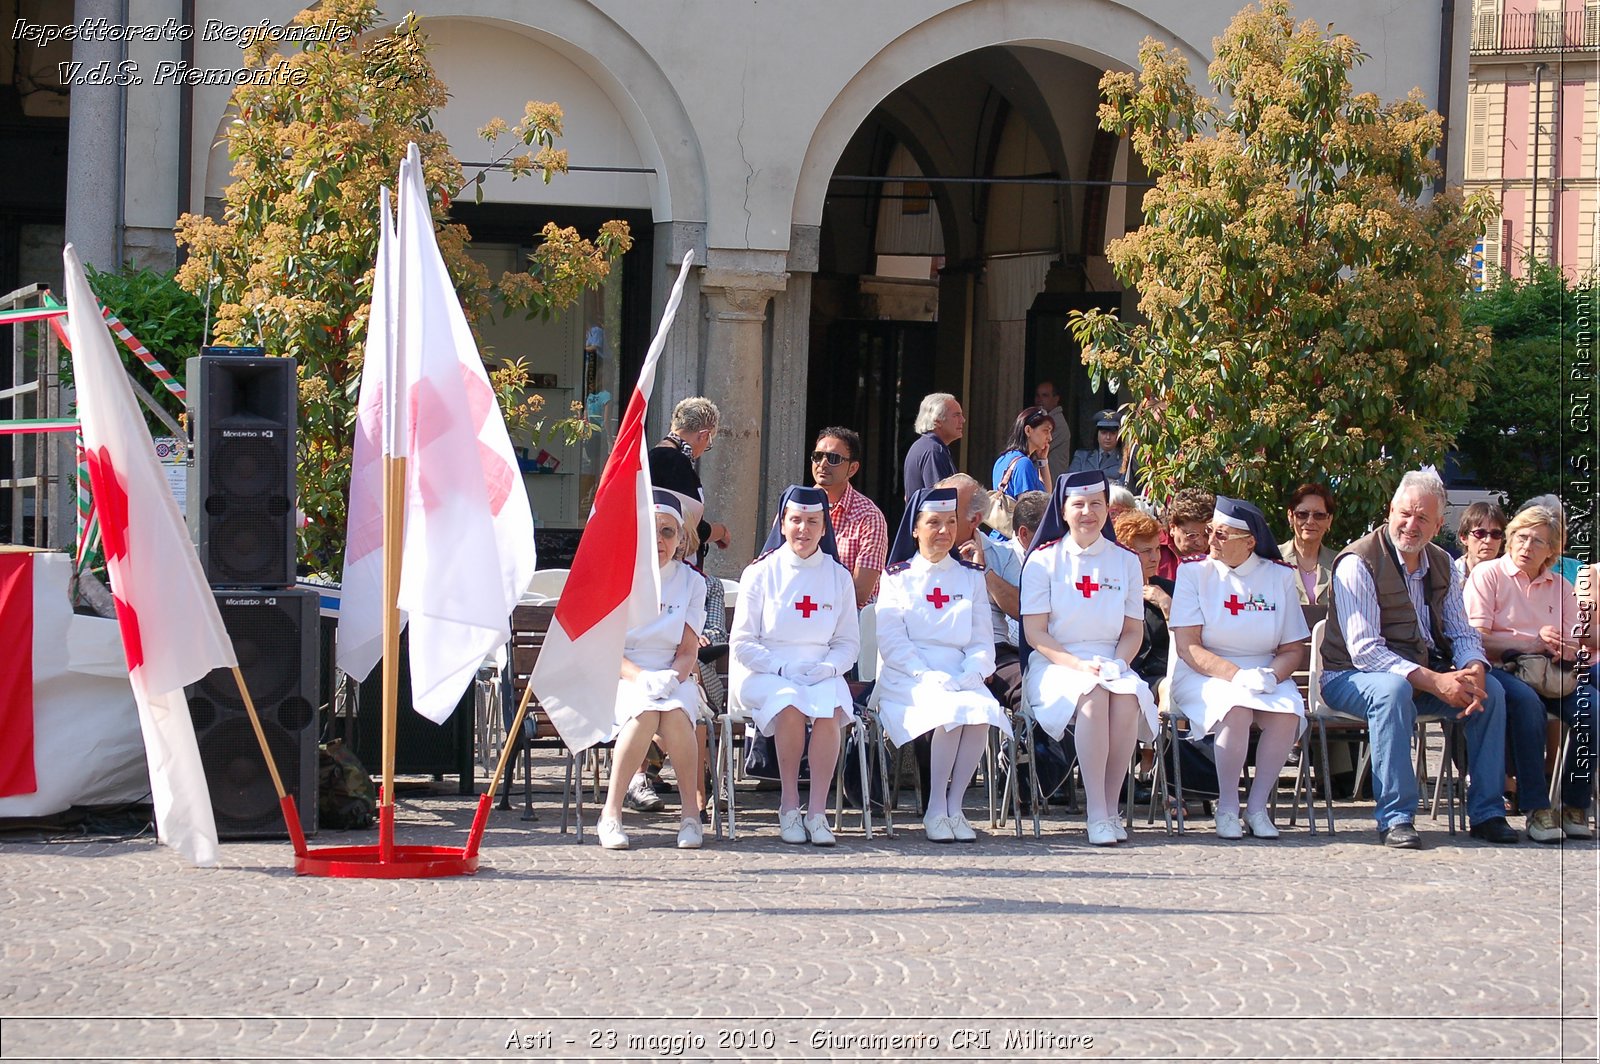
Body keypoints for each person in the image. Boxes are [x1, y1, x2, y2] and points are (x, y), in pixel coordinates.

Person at [1319, 468, 1515, 849]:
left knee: (1489, 691)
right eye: (1405, 513)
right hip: (1348, 676)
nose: (1411, 524)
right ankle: (1396, 818)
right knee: (1391, 691)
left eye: (1423, 517)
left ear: (1440, 523)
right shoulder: (1357, 561)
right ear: (1390, 510)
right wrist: (1435, 681)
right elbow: (1366, 652)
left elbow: (1461, 632)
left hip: (1424, 671)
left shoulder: (1442, 562)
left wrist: (1472, 668)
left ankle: (1489, 812)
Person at [1021, 470, 1156, 846]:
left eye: (1096, 504)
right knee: (1094, 699)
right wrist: (1078, 666)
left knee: (1127, 699)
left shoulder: (1125, 562)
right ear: (1063, 510)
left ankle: (1112, 807)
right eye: (1078, 504)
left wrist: (1119, 663)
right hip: (1056, 662)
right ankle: (1096, 809)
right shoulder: (1043, 561)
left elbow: (1132, 630)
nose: (1087, 512)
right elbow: (1036, 634)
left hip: (1112, 659)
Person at [873, 487, 1010, 842]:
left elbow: (982, 637)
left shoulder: (970, 576)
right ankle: (935, 807)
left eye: (951, 522)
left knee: (979, 711)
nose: (944, 531)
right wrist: (925, 673)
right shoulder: (897, 577)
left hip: (961, 669)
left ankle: (955, 805)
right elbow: (892, 640)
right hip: (909, 674)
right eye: (934, 522)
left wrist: (975, 670)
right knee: (951, 711)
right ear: (915, 529)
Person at [1169, 498, 1310, 839]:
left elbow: (1293, 648)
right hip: (1204, 673)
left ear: (1249, 542)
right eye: (1210, 532)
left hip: (1264, 670)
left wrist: (1272, 675)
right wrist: (1235, 675)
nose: (1210, 540)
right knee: (1235, 710)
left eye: (1221, 534)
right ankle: (1228, 806)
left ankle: (1258, 807)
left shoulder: (1279, 577)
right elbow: (1188, 646)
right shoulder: (1192, 573)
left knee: (1287, 713)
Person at [729, 485, 861, 846]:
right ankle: (789, 804)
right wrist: (781, 668)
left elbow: (848, 641)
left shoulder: (838, 577)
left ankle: (817, 813)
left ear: (824, 527)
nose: (804, 529)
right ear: (783, 523)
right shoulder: (759, 573)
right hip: (767, 672)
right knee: (789, 704)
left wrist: (831, 668)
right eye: (796, 521)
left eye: (812, 522)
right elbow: (742, 642)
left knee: (830, 708)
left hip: (820, 669)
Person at [1464, 504, 1596, 841]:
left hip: (1551, 672)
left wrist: (1567, 649)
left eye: (1538, 542)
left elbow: (1578, 641)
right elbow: (1475, 637)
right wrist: (1529, 644)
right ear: (1510, 539)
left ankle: (1574, 804)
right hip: (1501, 668)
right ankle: (1536, 808)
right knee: (1527, 703)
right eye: (1522, 537)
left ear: (1551, 551)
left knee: (1593, 708)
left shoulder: (1561, 588)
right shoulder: (1489, 575)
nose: (1526, 547)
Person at [595, 491, 709, 851]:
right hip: (624, 675)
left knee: (675, 714)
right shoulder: (618, 574)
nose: (659, 540)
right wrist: (642, 678)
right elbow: (608, 649)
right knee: (642, 712)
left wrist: (671, 679)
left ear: (681, 539)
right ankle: (611, 813)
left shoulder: (693, 582)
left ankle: (690, 815)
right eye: (651, 530)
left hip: (673, 674)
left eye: (668, 532)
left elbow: (688, 649)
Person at [982, 490, 1051, 712]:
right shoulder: (1000, 557)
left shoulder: (1065, 560)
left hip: (1055, 652)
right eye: (1052, 530)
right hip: (1009, 652)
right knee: (1035, 691)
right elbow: (1017, 618)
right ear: (1023, 534)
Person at [810, 427, 888, 608]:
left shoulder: (869, 517)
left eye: (833, 458)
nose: (823, 464)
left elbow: (860, 592)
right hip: (799, 611)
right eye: (817, 456)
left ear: (852, 469)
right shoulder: (795, 509)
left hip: (849, 619)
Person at [649, 396, 729, 565]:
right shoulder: (674, 461)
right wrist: (721, 532)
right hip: (672, 566)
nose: (704, 450)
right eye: (708, 443)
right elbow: (692, 528)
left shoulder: (655, 454)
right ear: (704, 435)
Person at [1113, 510, 1172, 689]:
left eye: (1157, 549)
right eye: (1146, 551)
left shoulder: (1170, 589)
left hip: (1163, 675)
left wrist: (1168, 605)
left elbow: (1187, 642)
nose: (1155, 558)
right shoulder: (1110, 592)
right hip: (1123, 674)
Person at [1279, 483, 1338, 607]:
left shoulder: (1340, 564)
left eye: (1319, 515)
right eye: (1302, 514)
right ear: (1290, 516)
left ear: (1329, 520)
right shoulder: (1272, 560)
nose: (1310, 521)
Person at [903, 393, 963, 499]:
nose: (962, 420)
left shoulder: (924, 446)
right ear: (937, 421)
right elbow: (941, 501)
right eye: (956, 415)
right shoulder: (934, 451)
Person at [991, 407, 1053, 499]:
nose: (1050, 438)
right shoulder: (1024, 464)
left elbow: (1045, 494)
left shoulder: (1002, 459)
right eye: (1046, 431)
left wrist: (1042, 460)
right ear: (1028, 430)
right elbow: (1028, 509)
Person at [1068, 409, 1137, 488]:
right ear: (1096, 434)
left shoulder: (1125, 460)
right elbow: (1071, 481)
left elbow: (1125, 486)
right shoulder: (1081, 456)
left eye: (1113, 433)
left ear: (1119, 435)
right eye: (1103, 433)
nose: (1108, 437)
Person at [1156, 488, 1214, 582]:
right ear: (1173, 528)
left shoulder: (1218, 552)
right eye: (1192, 535)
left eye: (1207, 534)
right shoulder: (1151, 547)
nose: (1200, 543)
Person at [1454, 500, 1507, 584]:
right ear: (1464, 538)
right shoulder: (1448, 577)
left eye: (1495, 534)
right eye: (1480, 533)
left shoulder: (1511, 580)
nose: (1488, 540)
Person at [1032, 380, 1073, 481]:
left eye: (1045, 395)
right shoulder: (1043, 419)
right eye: (1038, 395)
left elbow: (1032, 451)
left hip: (1051, 485)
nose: (1039, 400)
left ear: (1056, 399)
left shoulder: (1056, 423)